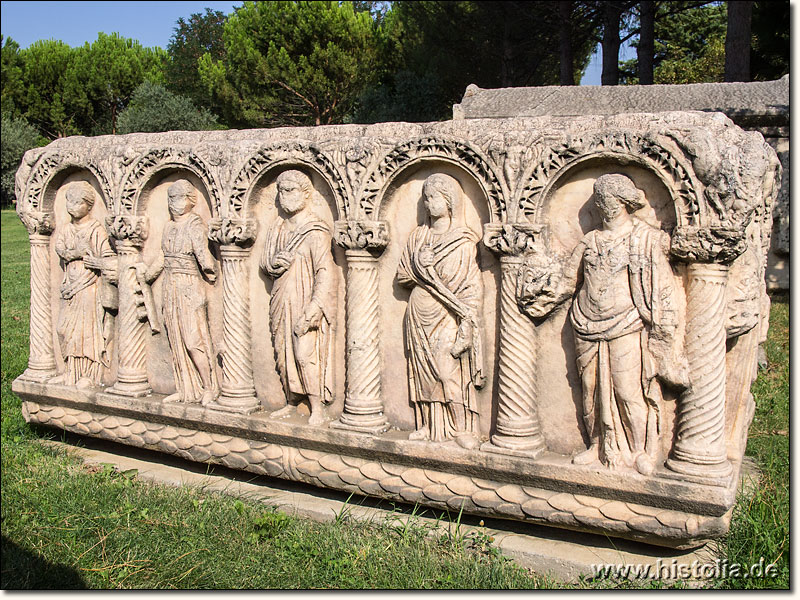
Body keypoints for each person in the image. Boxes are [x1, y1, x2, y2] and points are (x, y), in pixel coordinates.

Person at [518, 173, 687, 475]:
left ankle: (639, 451)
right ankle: (597, 445)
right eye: (600, 199)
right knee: (591, 390)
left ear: (624, 201)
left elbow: (662, 288)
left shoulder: (645, 238)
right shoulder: (591, 239)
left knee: (627, 390)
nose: (603, 204)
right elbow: (568, 280)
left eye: (609, 199)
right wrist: (537, 298)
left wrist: (665, 330)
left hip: (628, 323)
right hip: (585, 322)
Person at [396, 173, 485, 449]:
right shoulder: (418, 236)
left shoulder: (463, 240)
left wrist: (467, 319)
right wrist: (419, 267)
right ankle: (427, 425)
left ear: (450, 202)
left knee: (447, 371)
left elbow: (472, 284)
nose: (428, 203)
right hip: (418, 312)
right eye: (426, 198)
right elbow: (402, 275)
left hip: (447, 313)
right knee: (422, 372)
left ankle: (460, 426)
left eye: (435, 197)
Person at [260, 170, 337, 426]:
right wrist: (274, 264)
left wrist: (316, 306)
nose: (284, 197)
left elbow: (325, 270)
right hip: (281, 298)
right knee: (283, 353)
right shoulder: (278, 227)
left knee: (304, 354)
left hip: (305, 299)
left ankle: (316, 406)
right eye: (281, 191)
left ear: (306, 194)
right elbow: (265, 263)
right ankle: (292, 401)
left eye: (290, 190)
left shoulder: (315, 230)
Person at [136, 179, 218, 404]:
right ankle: (186, 389)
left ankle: (209, 387)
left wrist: (211, 269)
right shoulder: (169, 226)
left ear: (191, 200)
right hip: (170, 286)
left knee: (194, 339)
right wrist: (149, 274)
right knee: (177, 339)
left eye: (180, 197)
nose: (174, 203)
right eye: (171, 198)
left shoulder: (194, 224)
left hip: (189, 285)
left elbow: (203, 257)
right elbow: (164, 256)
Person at [52, 181, 115, 388]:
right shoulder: (66, 229)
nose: (72, 206)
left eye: (77, 202)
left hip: (90, 286)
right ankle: (70, 371)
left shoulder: (96, 229)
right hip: (70, 286)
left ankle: (90, 374)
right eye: (69, 201)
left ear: (88, 205)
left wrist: (94, 261)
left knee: (88, 331)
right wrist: (75, 252)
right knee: (64, 328)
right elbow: (61, 249)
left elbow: (108, 257)